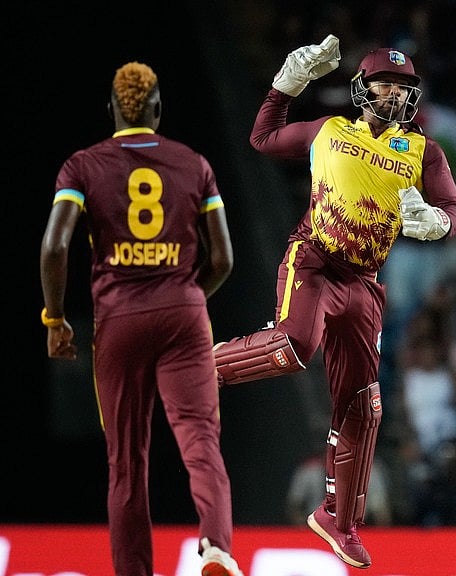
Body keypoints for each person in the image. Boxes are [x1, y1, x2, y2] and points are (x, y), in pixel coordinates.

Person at [211, 35, 456, 569]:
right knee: (293, 346)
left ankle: (338, 519)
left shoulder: (424, 151)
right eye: (385, 84)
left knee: (364, 404)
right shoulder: (328, 131)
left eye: (403, 87)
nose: (395, 94)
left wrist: (437, 222)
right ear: (363, 89)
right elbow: (262, 138)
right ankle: (200, 367)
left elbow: (455, 211)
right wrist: (287, 84)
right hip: (314, 260)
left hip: (364, 281)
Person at [39, 62, 242, 576]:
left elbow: (55, 247)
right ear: (158, 110)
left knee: (126, 461)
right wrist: (185, 297)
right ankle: (216, 547)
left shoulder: (82, 166)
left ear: (111, 110)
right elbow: (223, 259)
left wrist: (55, 319)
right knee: (200, 439)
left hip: (119, 319)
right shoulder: (194, 164)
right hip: (183, 317)